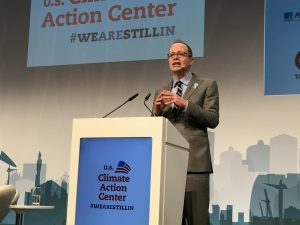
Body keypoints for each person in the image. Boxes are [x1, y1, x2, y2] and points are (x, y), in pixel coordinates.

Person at [153, 40, 219, 225]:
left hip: (194, 166)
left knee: (198, 220)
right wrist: (157, 113)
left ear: (191, 60)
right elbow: (156, 130)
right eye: (171, 54)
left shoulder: (207, 85)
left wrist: (185, 104)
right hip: (167, 166)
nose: (175, 57)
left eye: (180, 54)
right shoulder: (161, 91)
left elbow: (212, 119)